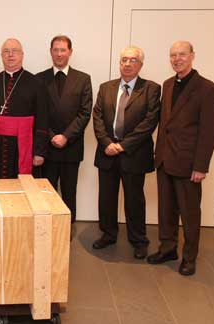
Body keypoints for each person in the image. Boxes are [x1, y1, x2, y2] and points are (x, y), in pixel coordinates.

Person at [147, 41, 214, 276]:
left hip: (188, 164)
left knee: (189, 213)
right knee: (166, 209)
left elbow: (209, 132)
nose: (177, 59)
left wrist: (201, 166)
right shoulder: (168, 85)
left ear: (192, 56)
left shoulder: (207, 88)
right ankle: (168, 248)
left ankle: (189, 257)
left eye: (182, 55)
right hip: (165, 159)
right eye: (173, 55)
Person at [92, 46, 161, 259]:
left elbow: (149, 122)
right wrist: (107, 143)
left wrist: (123, 145)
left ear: (140, 64)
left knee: (134, 200)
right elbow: (97, 118)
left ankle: (138, 239)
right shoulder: (106, 87)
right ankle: (108, 233)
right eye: (124, 60)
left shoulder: (151, 89)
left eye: (133, 60)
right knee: (107, 198)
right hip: (107, 152)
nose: (128, 64)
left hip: (134, 154)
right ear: (119, 63)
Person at [36, 35, 92, 224]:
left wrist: (65, 136)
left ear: (70, 52)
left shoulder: (83, 79)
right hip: (47, 148)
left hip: (71, 148)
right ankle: (46, 229)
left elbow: (85, 113)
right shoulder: (39, 79)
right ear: (50, 52)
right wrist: (52, 136)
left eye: (63, 50)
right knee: (45, 193)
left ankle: (67, 229)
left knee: (69, 193)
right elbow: (37, 113)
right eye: (55, 50)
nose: (59, 54)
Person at [0, 38, 48, 178]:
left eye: (15, 51)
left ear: (22, 55)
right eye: (6, 51)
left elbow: (42, 120)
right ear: (2, 56)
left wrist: (39, 152)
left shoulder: (36, 84)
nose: (10, 55)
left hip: (23, 147)